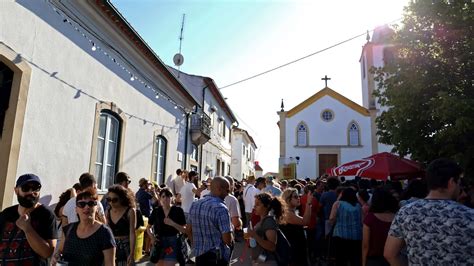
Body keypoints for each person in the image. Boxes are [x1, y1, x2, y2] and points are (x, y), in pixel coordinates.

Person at [384, 158, 474, 265]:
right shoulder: (469, 215)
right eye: (458, 183)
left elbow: (389, 254)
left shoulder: (406, 212)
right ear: (451, 182)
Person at [0, 174, 57, 265]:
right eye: (26, 188)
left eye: (35, 188)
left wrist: (27, 228)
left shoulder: (46, 215)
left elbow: (47, 252)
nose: (31, 192)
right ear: (16, 190)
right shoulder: (6, 214)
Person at [53, 189, 116, 265]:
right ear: (76, 209)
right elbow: (60, 251)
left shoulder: (104, 233)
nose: (86, 207)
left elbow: (110, 264)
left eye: (91, 203)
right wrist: (55, 257)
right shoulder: (69, 229)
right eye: (81, 204)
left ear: (96, 208)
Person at [188, 176, 233, 266]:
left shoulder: (195, 204)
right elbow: (227, 240)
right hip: (216, 258)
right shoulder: (221, 208)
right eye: (227, 191)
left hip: (200, 256)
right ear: (220, 189)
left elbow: (189, 229)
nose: (228, 194)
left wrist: (196, 245)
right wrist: (232, 230)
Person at [147, 188, 187, 266]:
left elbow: (184, 230)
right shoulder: (156, 211)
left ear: (172, 198)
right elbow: (148, 227)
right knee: (159, 264)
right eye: (163, 196)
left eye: (168, 196)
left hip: (172, 242)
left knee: (169, 264)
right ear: (160, 198)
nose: (166, 199)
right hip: (159, 243)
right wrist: (152, 237)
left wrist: (172, 223)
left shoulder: (178, 211)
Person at [247, 193, 286, 266]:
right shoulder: (263, 220)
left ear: (267, 206)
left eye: (258, 204)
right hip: (261, 260)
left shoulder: (269, 221)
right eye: (255, 204)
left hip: (268, 262)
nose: (254, 206)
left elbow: (272, 247)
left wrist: (254, 235)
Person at [362, 189, 398, 266]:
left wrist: (363, 262)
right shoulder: (397, 217)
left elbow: (365, 246)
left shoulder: (370, 218)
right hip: (394, 259)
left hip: (374, 260)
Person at [329, 188, 362, 266]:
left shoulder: (337, 204)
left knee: (340, 260)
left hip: (340, 235)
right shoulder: (358, 206)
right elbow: (362, 221)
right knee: (354, 260)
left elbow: (331, 218)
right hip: (356, 236)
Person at [106, 185, 137, 266]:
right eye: (108, 199)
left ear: (122, 198)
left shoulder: (130, 211)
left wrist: (132, 253)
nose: (111, 203)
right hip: (112, 246)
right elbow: (107, 233)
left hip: (126, 246)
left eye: (115, 200)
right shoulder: (108, 212)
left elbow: (132, 233)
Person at [281, 188, 312, 266]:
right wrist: (308, 203)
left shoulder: (291, 211)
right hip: (294, 252)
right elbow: (305, 221)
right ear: (288, 200)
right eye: (295, 197)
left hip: (297, 249)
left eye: (298, 196)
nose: (298, 198)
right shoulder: (287, 213)